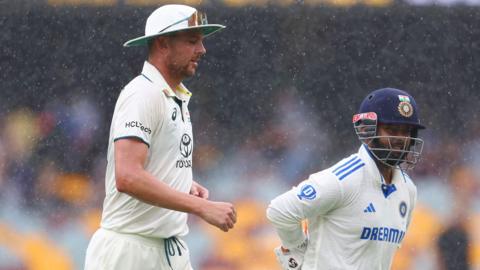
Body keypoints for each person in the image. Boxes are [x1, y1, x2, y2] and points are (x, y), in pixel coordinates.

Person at [84, 5, 236, 270]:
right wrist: (201, 208)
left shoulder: (172, 95)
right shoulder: (143, 94)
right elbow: (128, 177)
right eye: (192, 41)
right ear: (163, 44)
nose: (202, 50)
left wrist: (179, 182)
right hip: (129, 253)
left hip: (169, 249)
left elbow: (146, 165)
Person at [266, 88, 425, 270]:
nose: (401, 139)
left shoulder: (408, 190)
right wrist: (300, 253)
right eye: (391, 130)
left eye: (406, 132)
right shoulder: (344, 179)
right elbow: (280, 211)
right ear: (366, 131)